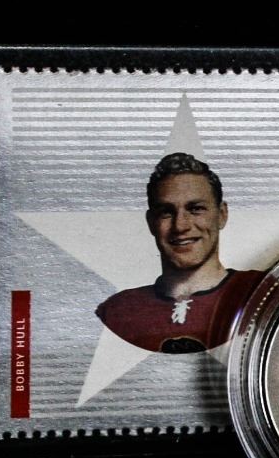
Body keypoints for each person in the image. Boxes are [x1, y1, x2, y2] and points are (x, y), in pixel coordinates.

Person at [96, 152, 265, 354]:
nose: (180, 226)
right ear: (151, 222)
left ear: (221, 215)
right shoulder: (118, 311)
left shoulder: (262, 291)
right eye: (166, 212)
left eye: (195, 209)